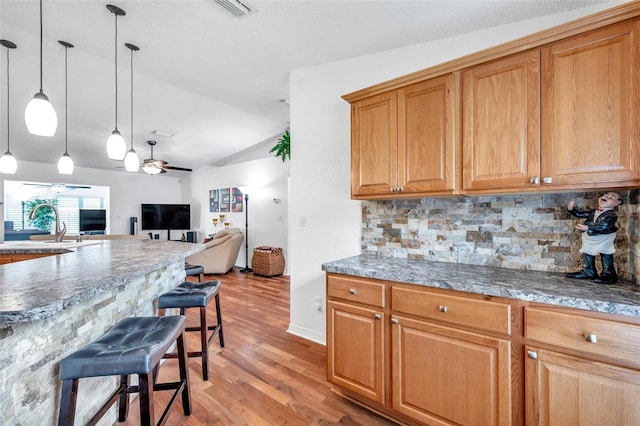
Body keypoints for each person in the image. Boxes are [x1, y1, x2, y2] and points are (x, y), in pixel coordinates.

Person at [565, 192, 623, 284]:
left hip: (604, 238)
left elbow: (605, 225)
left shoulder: (612, 215)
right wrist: (571, 209)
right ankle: (589, 271)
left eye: (611, 197)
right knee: (587, 252)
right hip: (590, 237)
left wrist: (588, 228)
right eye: (605, 195)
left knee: (606, 252)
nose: (606, 197)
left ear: (617, 203)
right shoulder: (593, 212)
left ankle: (608, 273)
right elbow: (581, 214)